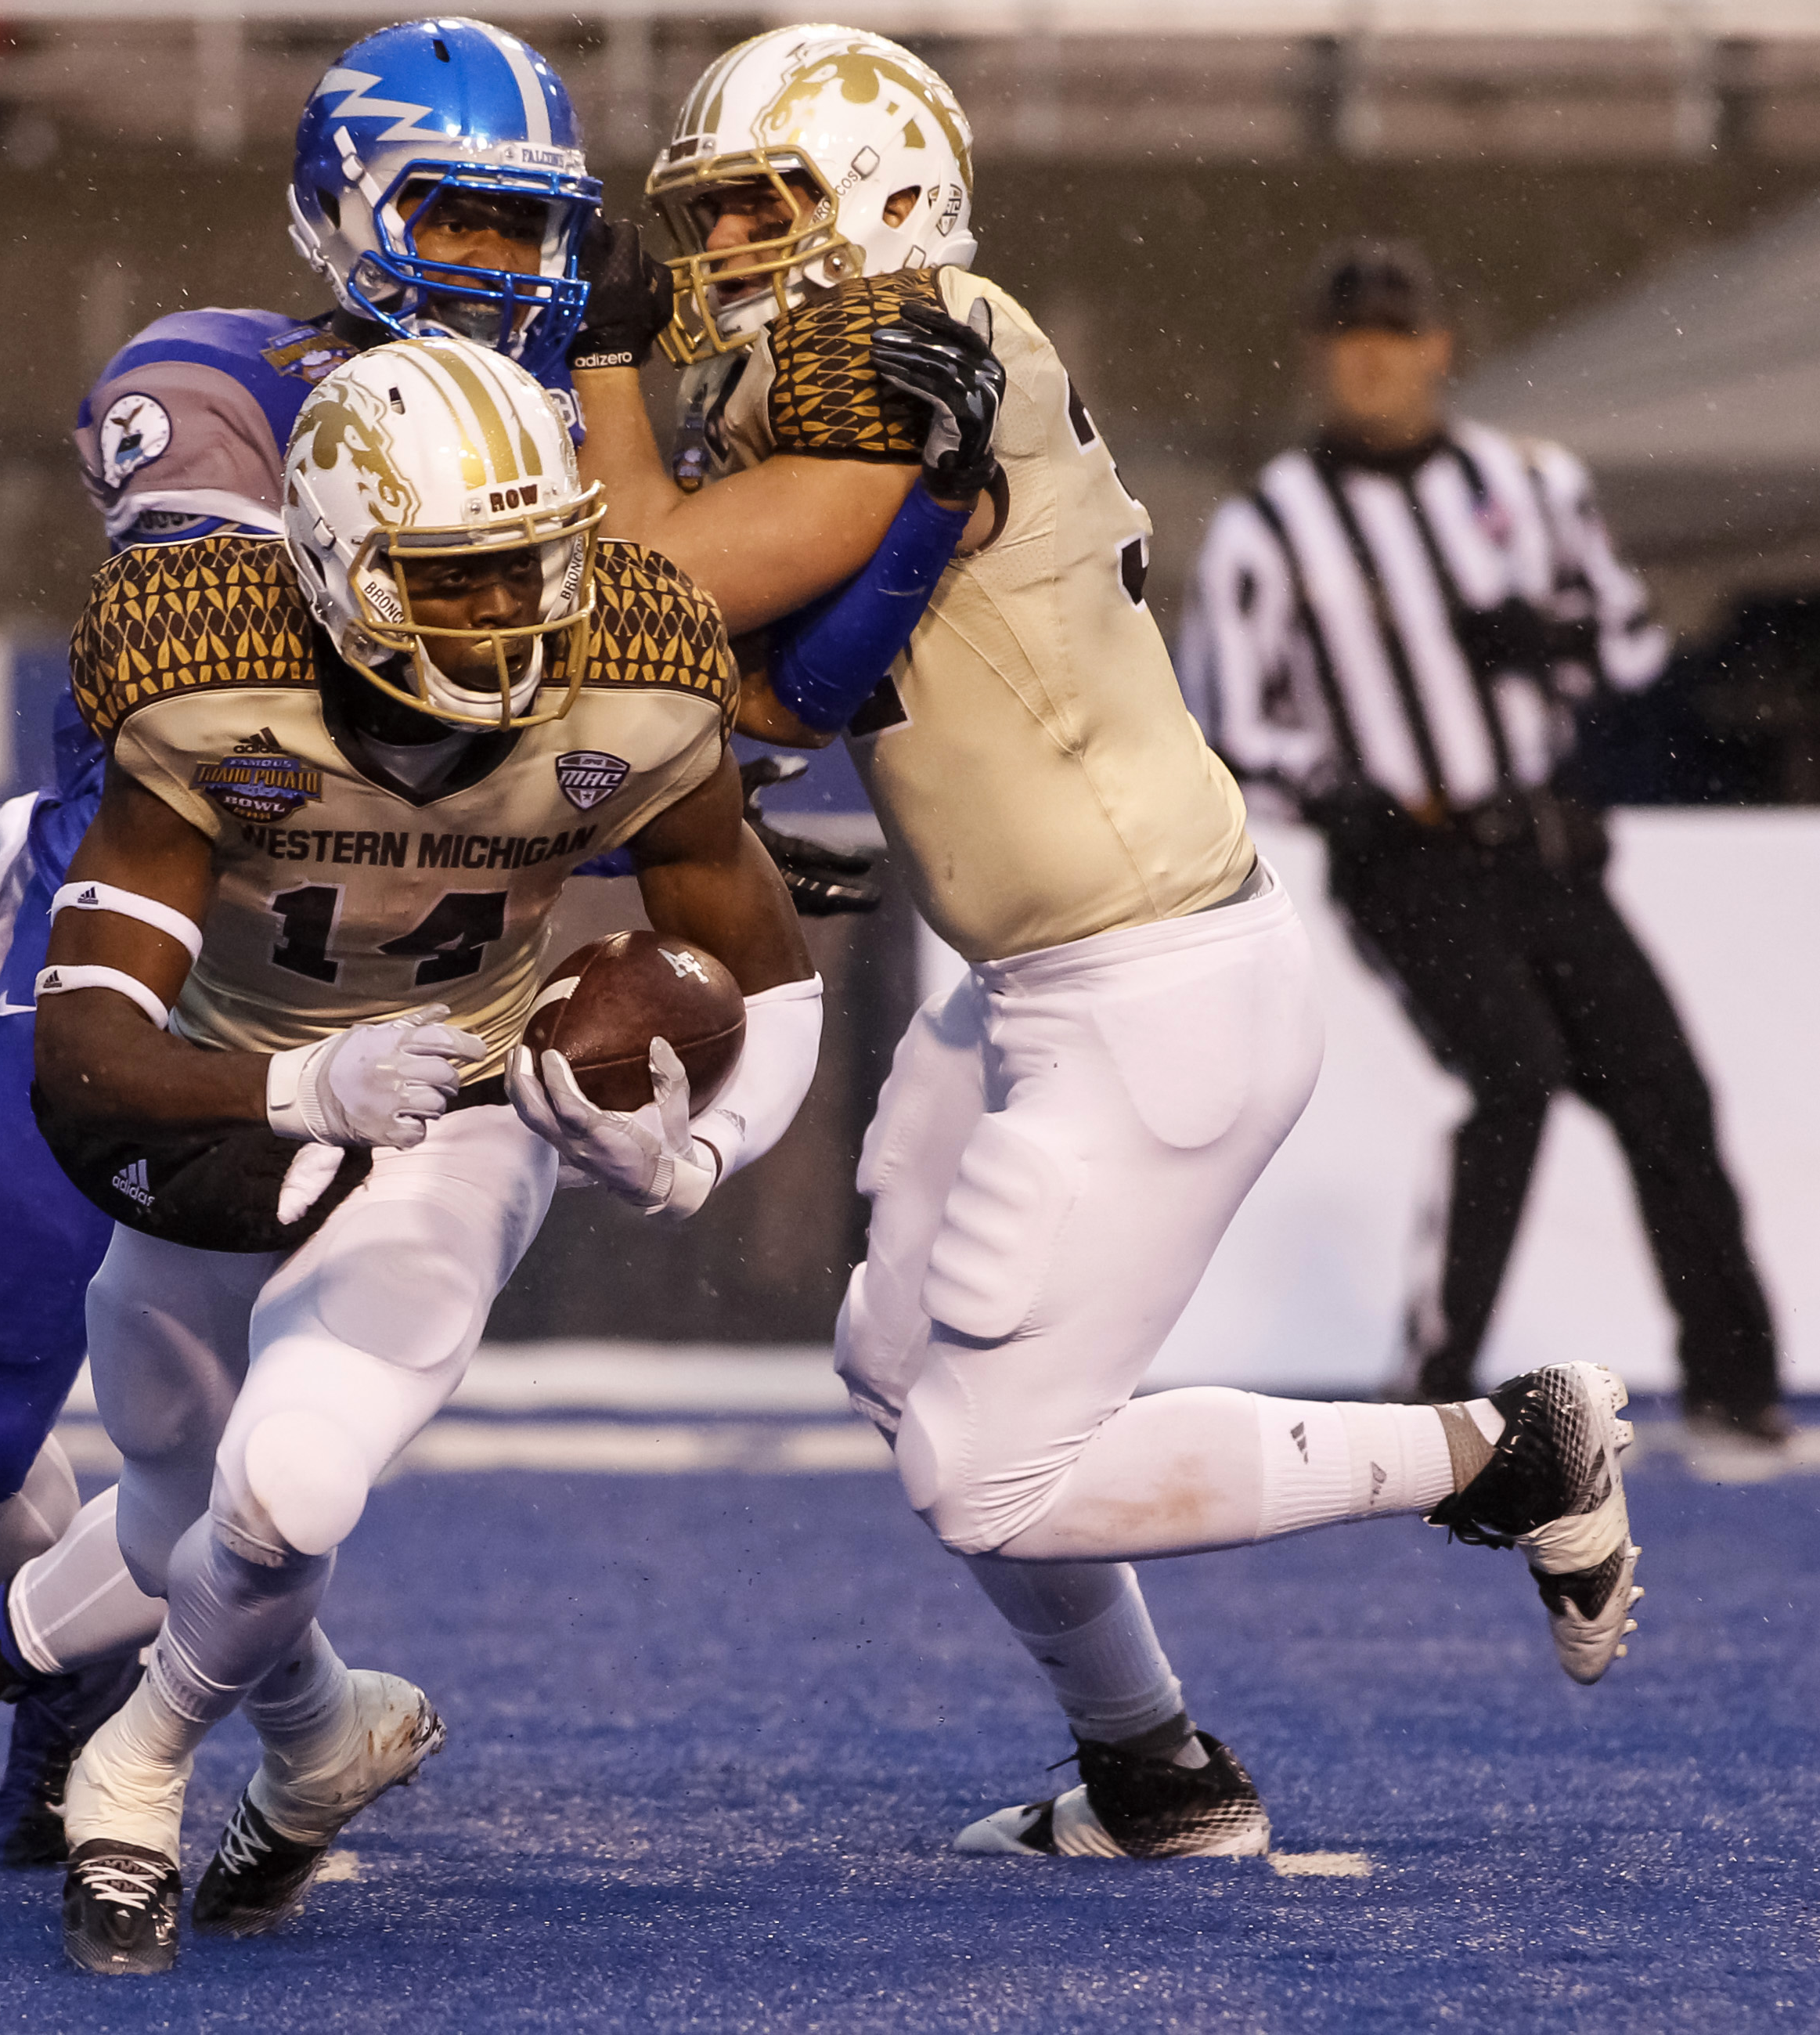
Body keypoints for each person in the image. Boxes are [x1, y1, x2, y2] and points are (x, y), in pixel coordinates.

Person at [570, 24, 1646, 1860]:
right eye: (709, 213)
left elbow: (649, 585)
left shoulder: (927, 346)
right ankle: (1151, 1769)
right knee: (900, 1367)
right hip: (1034, 982)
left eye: (758, 205)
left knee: (988, 1470)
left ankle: (1501, 1446)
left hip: (1153, 983)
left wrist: (590, 360)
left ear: (883, 198)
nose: (721, 250)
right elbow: (775, 679)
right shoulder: (825, 383)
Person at [0, 334, 824, 1974]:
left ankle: (134, 1782)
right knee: (181, 1518)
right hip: (226, 1103)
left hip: (462, 1114)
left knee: (288, 1487)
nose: (516, 619)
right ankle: (42, 1685)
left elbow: (766, 978)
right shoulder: (209, 674)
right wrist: (300, 1088)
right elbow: (86, 1050)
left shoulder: (630, 666)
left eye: (531, 570)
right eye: (459, 582)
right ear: (333, 570)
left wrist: (696, 1157)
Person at [0, 16, 618, 1876]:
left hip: (387, 984)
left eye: (534, 232)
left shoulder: (580, 433)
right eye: (453, 217)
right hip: (125, 941)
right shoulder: (209, 379)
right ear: (338, 213)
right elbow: (227, 668)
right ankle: (74, 1682)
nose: (499, 272)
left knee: (238, 1447)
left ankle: (152, 1708)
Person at [1180, 240, 1787, 1448]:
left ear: (1440, 350)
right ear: (1319, 357)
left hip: (1539, 844)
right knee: (1510, 1076)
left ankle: (1735, 1389)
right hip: (1406, 854)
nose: (1373, 363)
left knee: (1661, 1089)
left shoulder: (1530, 486)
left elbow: (1627, 650)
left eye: (1395, 339)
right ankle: (1433, 1390)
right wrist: (1336, 792)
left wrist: (1543, 638)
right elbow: (1231, 722)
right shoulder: (1271, 527)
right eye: (1351, 341)